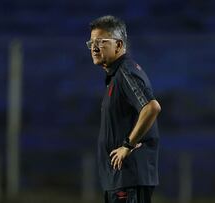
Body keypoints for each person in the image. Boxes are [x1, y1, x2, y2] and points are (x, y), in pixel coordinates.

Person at [87, 15, 161, 203]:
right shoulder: (116, 76)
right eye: (91, 42)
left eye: (101, 42)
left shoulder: (125, 72)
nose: (94, 47)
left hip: (128, 179)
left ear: (118, 45)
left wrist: (127, 145)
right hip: (120, 179)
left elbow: (151, 107)